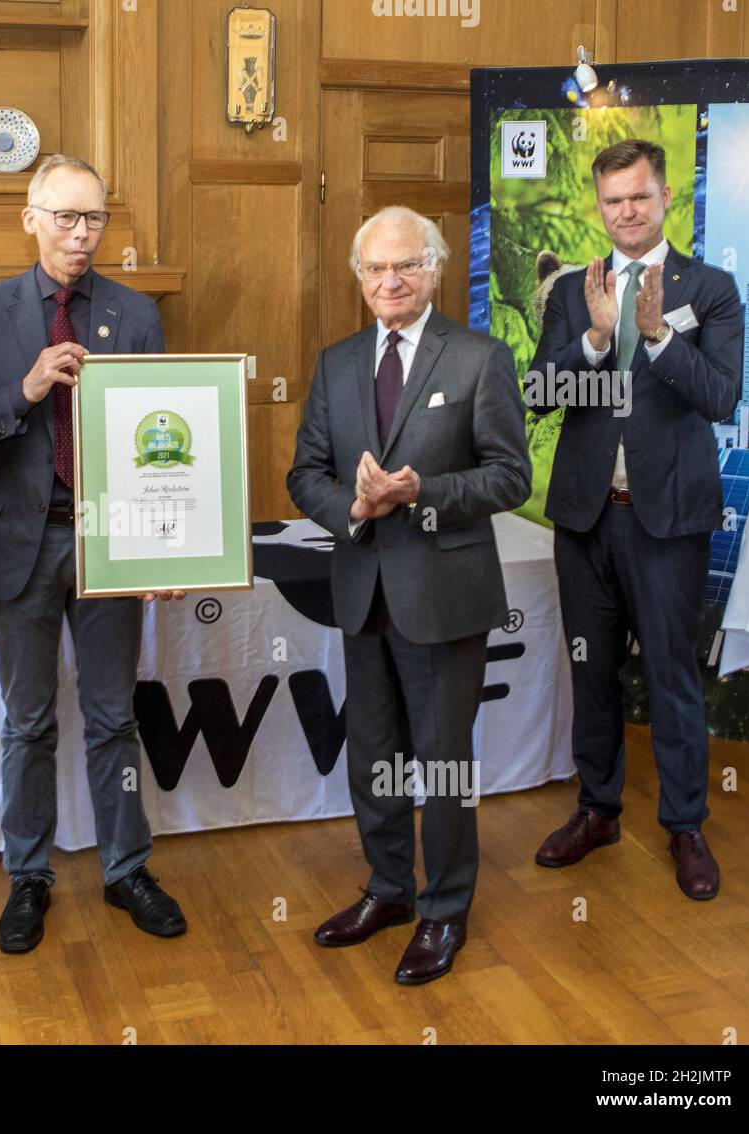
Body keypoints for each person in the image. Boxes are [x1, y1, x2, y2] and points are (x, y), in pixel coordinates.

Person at [0, 155, 187, 954]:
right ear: (29, 217)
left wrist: (169, 552)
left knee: (113, 717)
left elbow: (163, 442)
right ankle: (29, 876)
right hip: (18, 546)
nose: (81, 233)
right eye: (66, 217)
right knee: (28, 722)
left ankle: (125, 869)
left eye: (94, 219)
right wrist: (23, 392)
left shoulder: (137, 315)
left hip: (110, 541)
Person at [287, 205, 531, 984]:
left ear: (435, 269)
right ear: (359, 277)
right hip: (364, 590)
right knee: (374, 759)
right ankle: (388, 889)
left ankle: (445, 908)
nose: (389, 281)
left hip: (445, 593)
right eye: (374, 269)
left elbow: (510, 478)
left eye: (406, 266)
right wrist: (353, 509)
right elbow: (305, 474)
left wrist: (425, 489)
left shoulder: (480, 358)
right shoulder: (337, 361)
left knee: (443, 763)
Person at [529, 140, 743, 900]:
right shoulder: (568, 292)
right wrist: (592, 338)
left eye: (640, 197)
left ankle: (686, 824)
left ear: (665, 199)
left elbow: (721, 398)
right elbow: (537, 394)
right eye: (613, 199)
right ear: (600, 206)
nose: (626, 211)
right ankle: (598, 809)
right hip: (586, 519)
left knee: (673, 676)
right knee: (590, 670)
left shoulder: (710, 288)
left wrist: (654, 336)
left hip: (667, 522)